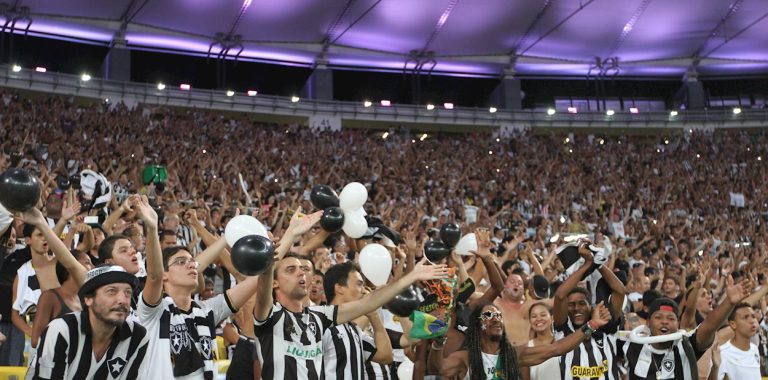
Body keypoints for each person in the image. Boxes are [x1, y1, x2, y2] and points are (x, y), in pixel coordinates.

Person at [252, 208, 448, 379]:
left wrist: (411, 276)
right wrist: (289, 235)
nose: (301, 273)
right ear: (275, 283)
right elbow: (263, 287)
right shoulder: (270, 316)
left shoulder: (320, 317)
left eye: (302, 269)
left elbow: (369, 303)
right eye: (290, 270)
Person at [136, 194, 263, 379]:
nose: (191, 265)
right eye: (180, 262)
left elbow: (255, 280)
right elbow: (154, 277)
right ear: (165, 274)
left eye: (191, 262)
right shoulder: (154, 311)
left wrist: (264, 245)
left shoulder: (206, 310)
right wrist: (153, 228)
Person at [616, 275, 753, 380]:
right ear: (647, 323)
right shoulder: (631, 345)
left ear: (678, 323)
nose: (664, 322)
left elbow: (709, 326)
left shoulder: (687, 346)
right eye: (658, 317)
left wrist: (728, 303)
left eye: (671, 318)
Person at [430, 301, 612, 379]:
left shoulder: (514, 354)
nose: (496, 319)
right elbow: (439, 368)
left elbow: (557, 349)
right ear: (478, 325)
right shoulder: (465, 358)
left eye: (498, 315)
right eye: (488, 315)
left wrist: (593, 324)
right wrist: (438, 343)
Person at [31, 265, 148, 379]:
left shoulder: (137, 336)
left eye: (128, 293)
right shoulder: (61, 330)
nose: (122, 300)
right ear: (88, 299)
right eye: (111, 291)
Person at [551, 241, 626, 380]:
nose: (576, 308)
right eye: (571, 304)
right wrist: (587, 265)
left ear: (590, 306)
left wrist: (599, 263)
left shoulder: (605, 327)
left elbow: (620, 291)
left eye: (581, 303)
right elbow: (560, 295)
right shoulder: (563, 331)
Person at [322, 261, 393, 379]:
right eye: (359, 284)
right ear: (340, 288)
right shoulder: (320, 323)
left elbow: (385, 356)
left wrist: (373, 315)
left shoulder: (353, 329)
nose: (364, 290)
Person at [716, 303, 761, 379]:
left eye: (753, 316)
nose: (752, 321)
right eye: (745, 317)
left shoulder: (754, 349)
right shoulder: (723, 354)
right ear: (733, 324)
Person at [520, 302, 560, 380]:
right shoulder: (526, 348)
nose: (538, 319)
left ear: (552, 318)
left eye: (543, 315)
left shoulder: (562, 341)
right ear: (530, 322)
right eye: (534, 316)